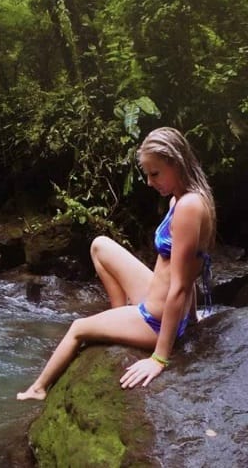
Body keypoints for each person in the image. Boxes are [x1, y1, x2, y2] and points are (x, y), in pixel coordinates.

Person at [17, 127, 216, 400]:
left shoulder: (189, 207)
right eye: (146, 173)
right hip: (156, 299)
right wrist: (192, 318)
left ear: (176, 162)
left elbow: (181, 285)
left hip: (155, 320)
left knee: (77, 329)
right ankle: (119, 314)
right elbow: (189, 265)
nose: (148, 181)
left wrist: (159, 358)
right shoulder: (181, 199)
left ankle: (38, 389)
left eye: (154, 173)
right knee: (100, 245)